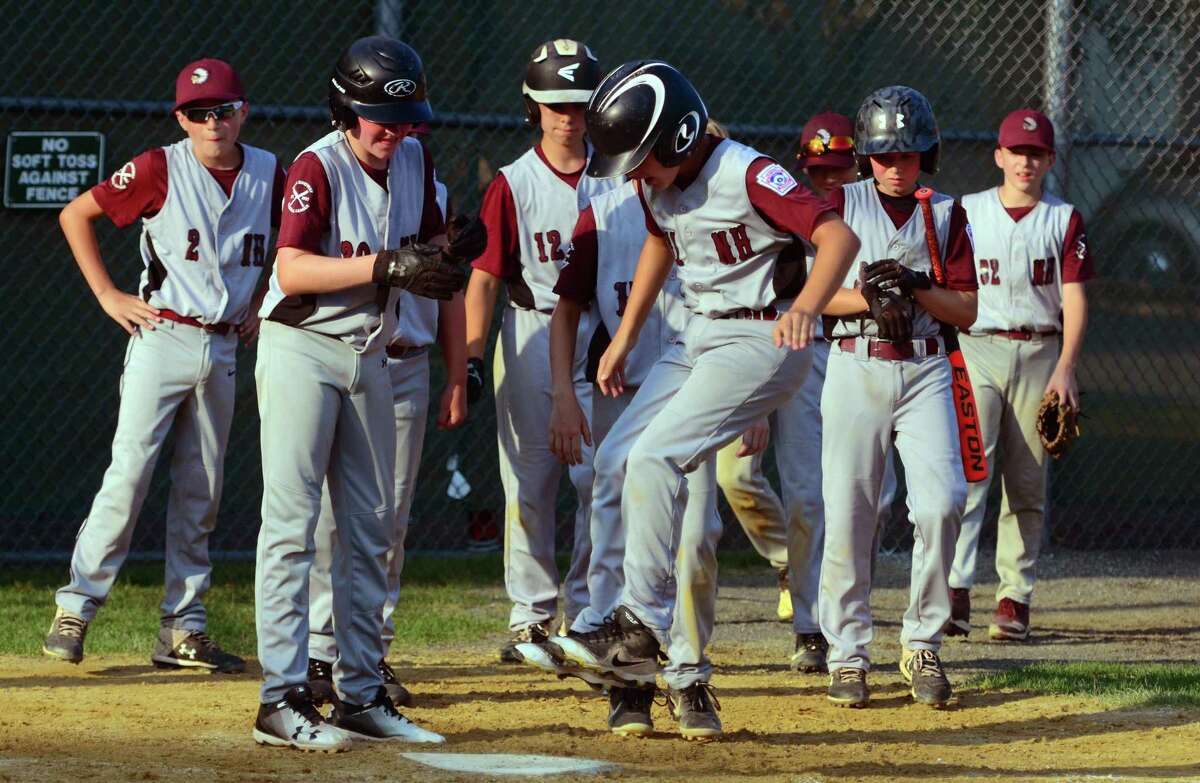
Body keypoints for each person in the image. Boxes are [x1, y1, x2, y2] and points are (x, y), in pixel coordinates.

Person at [550, 60, 858, 734]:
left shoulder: (745, 173)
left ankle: (641, 631)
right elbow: (661, 242)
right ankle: (626, 641)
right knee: (615, 461)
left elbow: (838, 236)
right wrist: (625, 336)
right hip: (693, 340)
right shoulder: (658, 185)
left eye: (643, 161)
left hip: (760, 337)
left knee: (658, 459)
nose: (637, 175)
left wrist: (806, 305)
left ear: (681, 136)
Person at [253, 35, 474, 750]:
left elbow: (433, 252)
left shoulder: (414, 156)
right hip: (301, 349)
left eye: (404, 118)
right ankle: (279, 699)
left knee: (373, 527)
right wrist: (388, 263)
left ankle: (359, 693)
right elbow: (289, 269)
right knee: (292, 525)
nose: (395, 131)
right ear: (346, 111)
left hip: (370, 356)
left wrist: (447, 257)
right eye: (380, 117)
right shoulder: (317, 164)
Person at [44, 58, 284, 673]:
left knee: (201, 491)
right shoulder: (159, 166)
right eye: (198, 113)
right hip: (163, 333)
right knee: (129, 476)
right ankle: (76, 607)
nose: (212, 122)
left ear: (244, 111)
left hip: (225, 342)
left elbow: (293, 247)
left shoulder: (270, 173)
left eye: (223, 109)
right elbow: (76, 214)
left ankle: (183, 627)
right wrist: (107, 295)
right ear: (181, 118)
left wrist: (262, 301)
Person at [519, 166, 770, 739]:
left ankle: (687, 674)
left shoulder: (719, 204)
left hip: (699, 389)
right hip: (623, 391)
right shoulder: (604, 213)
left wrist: (753, 406)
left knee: (696, 538)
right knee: (615, 535)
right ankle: (628, 681)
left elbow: (758, 310)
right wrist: (562, 392)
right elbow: (568, 308)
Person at [817, 86, 977, 710]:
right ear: (864, 155)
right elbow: (813, 295)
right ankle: (848, 654)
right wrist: (871, 300)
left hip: (926, 368)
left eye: (907, 153)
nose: (895, 164)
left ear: (926, 155)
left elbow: (965, 307)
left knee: (944, 503)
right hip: (855, 365)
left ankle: (922, 643)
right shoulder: (838, 204)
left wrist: (916, 288)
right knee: (851, 512)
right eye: (884, 153)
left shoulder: (944, 214)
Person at [464, 39, 618, 661]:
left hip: (603, 334)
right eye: (555, 103)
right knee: (529, 481)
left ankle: (584, 611)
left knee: (596, 478)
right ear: (533, 105)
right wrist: (473, 358)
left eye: (580, 103)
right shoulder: (513, 182)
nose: (568, 116)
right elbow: (484, 277)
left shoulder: (618, 175)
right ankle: (530, 614)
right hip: (531, 331)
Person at [304, 123, 467, 708]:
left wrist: (456, 373)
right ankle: (318, 651)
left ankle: (367, 650)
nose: (401, 146)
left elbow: (448, 294)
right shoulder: (330, 178)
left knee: (387, 521)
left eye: (412, 138)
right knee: (326, 518)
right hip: (339, 356)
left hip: (406, 367)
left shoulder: (435, 202)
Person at [946, 108, 1092, 642]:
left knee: (1027, 482)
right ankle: (954, 590)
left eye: (1036, 153)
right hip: (977, 348)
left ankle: (1013, 597)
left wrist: (1066, 368)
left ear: (1049, 159)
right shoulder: (966, 212)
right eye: (1017, 152)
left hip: (1039, 352)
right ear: (999, 156)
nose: (1026, 161)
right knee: (967, 476)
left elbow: (1074, 299)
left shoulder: (1064, 218)